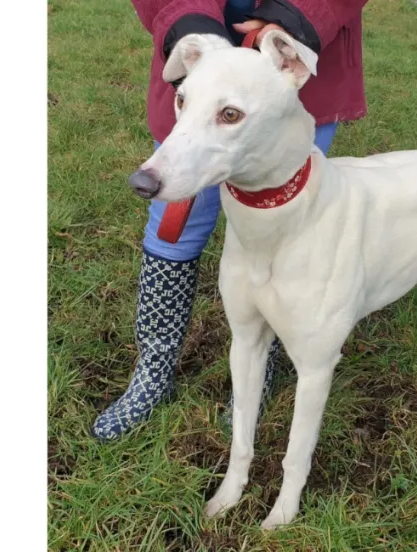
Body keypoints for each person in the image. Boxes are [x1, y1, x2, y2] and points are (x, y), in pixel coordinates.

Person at [92, 0, 368, 441]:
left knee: (290, 238)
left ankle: (263, 370)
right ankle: (154, 370)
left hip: (304, 65)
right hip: (201, 66)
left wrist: (300, 17)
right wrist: (189, 21)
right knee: (174, 231)